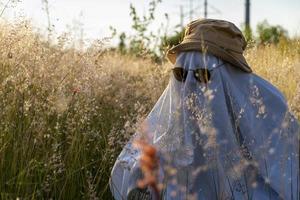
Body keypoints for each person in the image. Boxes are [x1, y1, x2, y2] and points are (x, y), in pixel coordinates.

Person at [109, 19, 299, 200]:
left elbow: (288, 177)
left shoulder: (266, 105)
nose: (189, 84)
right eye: (180, 73)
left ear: (229, 74)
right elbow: (125, 174)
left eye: (202, 74)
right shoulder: (170, 119)